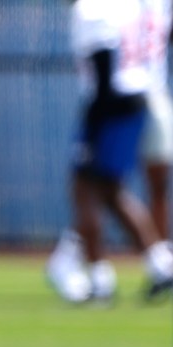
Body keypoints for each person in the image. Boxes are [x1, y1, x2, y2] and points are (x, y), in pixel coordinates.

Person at [46, 0, 173, 304]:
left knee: (84, 188)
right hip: (136, 98)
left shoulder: (93, 9)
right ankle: (159, 263)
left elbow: (103, 70)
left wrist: (91, 128)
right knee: (111, 191)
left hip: (112, 104)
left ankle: (100, 278)